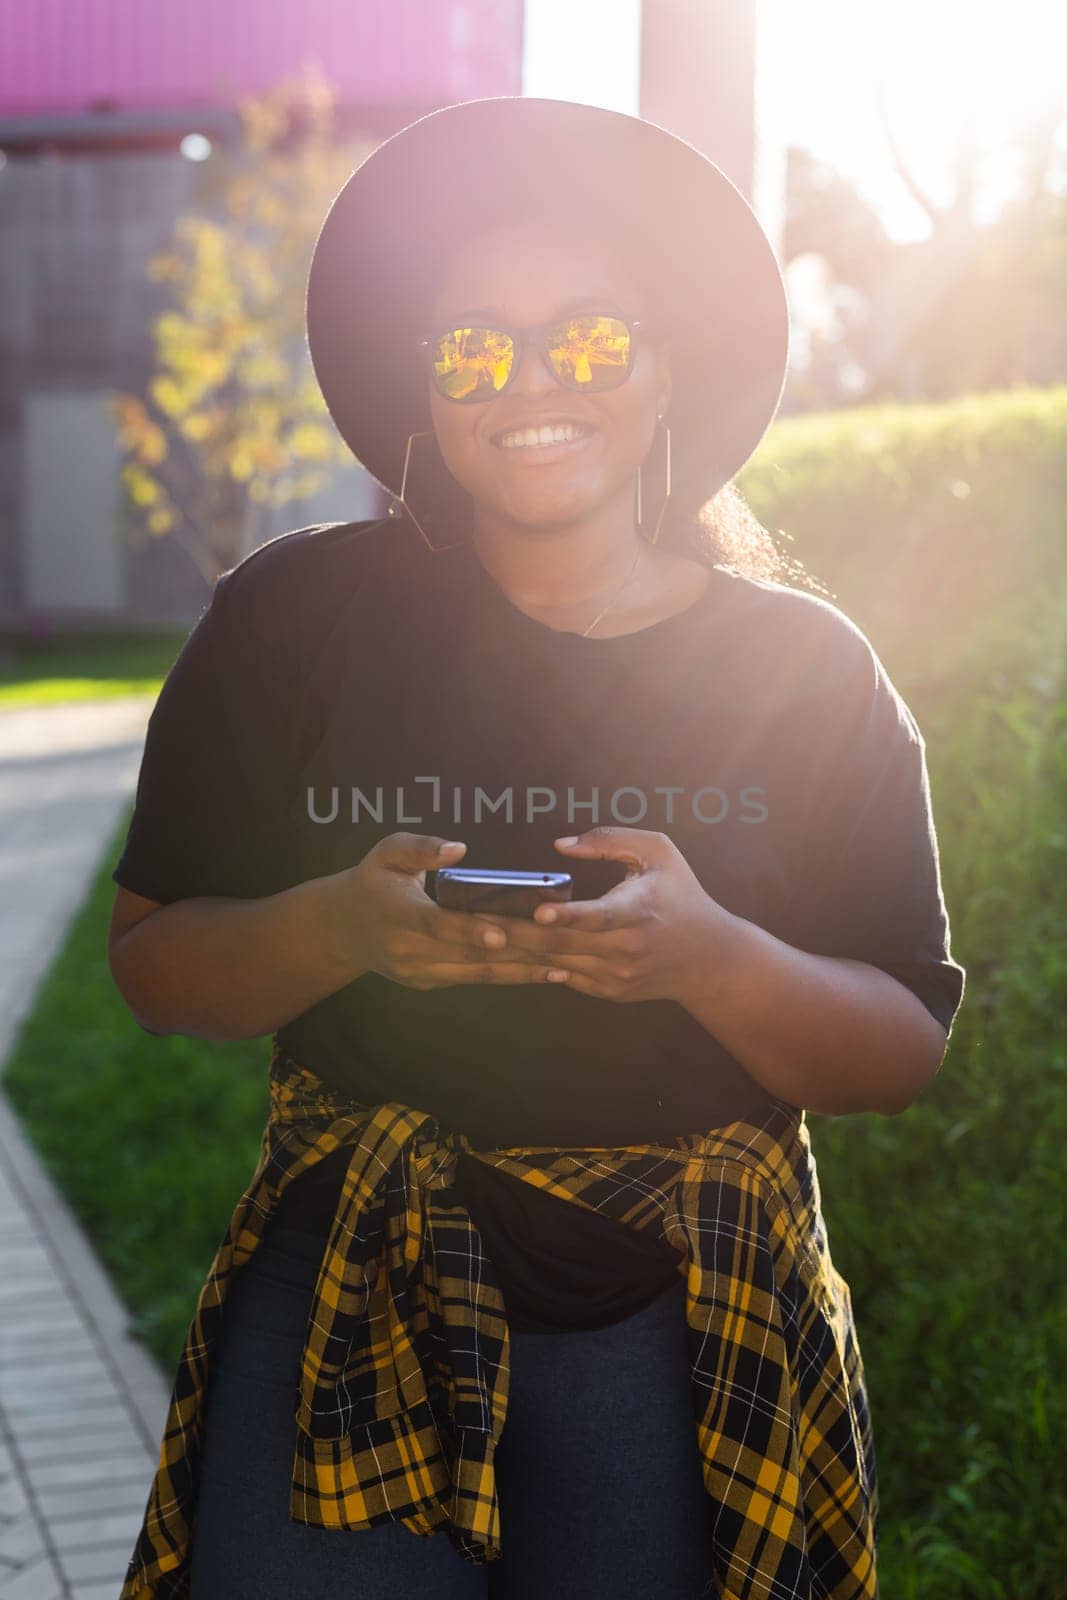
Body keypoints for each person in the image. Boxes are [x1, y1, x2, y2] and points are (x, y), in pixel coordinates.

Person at [109, 98, 965, 1600]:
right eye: (473, 347)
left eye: (587, 337)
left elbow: (897, 1048)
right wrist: (343, 930)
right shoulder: (288, 625)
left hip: (677, 1327)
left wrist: (711, 959)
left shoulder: (808, 677)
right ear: (427, 392)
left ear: (663, 368)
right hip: (349, 1286)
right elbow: (157, 964)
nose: (526, 383)